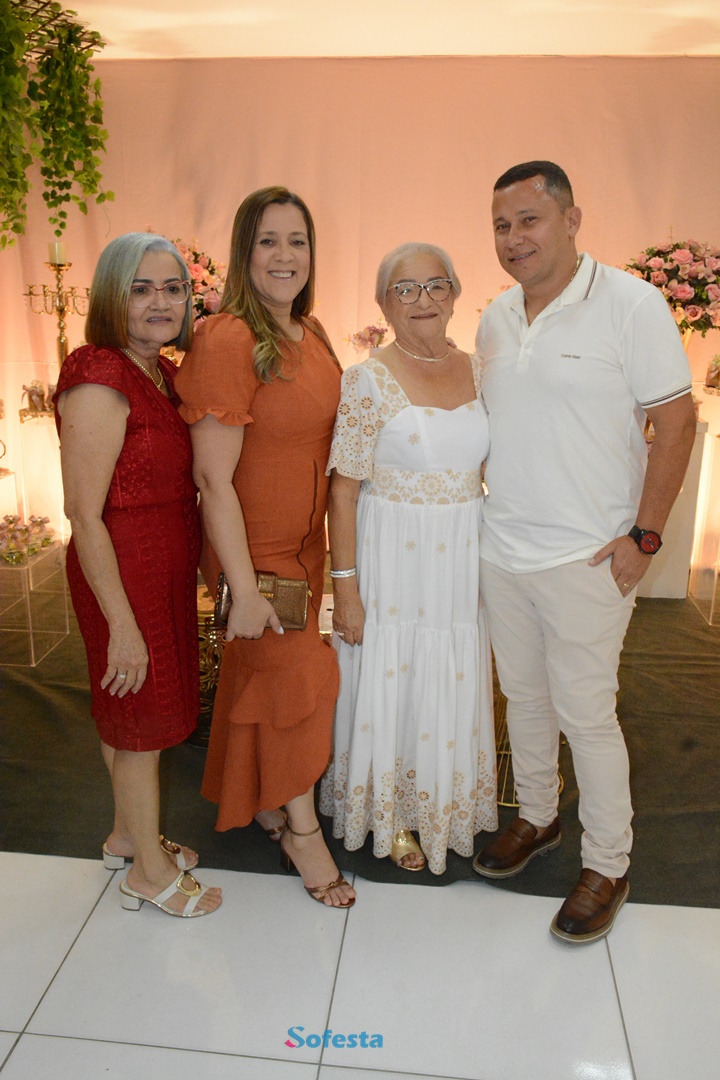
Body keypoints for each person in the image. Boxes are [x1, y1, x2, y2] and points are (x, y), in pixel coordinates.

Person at [472, 161, 696, 942]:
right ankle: (537, 815)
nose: (513, 238)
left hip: (591, 558)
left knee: (586, 714)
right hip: (505, 548)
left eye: (528, 220)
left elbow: (676, 422)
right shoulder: (495, 316)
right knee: (523, 698)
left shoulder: (632, 305)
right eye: (501, 225)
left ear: (571, 220)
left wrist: (646, 536)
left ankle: (607, 862)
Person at [175, 186, 355, 908]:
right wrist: (243, 589)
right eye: (268, 241)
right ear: (243, 253)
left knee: (265, 680)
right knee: (298, 681)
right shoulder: (227, 338)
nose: (285, 256)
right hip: (253, 553)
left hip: (306, 548)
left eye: (297, 241)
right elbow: (211, 480)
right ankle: (303, 834)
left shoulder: (312, 333)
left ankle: (268, 800)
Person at [54, 233, 222, 918]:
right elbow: (82, 514)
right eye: (141, 288)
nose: (161, 302)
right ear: (111, 296)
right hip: (122, 574)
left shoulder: (156, 370)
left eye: (173, 289)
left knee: (130, 711)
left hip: (159, 570)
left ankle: (130, 835)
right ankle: (148, 875)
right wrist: (121, 623)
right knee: (140, 721)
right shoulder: (100, 373)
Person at [319, 243, 498, 875]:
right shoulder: (365, 380)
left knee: (449, 672)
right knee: (394, 672)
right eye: (405, 288)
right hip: (391, 558)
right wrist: (346, 589)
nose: (423, 300)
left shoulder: (482, 371)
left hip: (460, 556)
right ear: (383, 303)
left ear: (455, 294)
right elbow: (342, 491)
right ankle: (390, 812)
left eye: (436, 284)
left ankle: (443, 804)